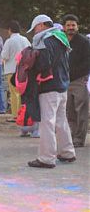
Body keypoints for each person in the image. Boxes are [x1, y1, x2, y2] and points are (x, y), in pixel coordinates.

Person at [26, 14, 76, 168]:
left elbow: (44, 63)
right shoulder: (61, 39)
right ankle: (68, 152)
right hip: (62, 85)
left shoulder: (45, 41)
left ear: (41, 25)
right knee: (61, 121)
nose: (34, 32)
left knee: (47, 122)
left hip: (48, 87)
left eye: (35, 28)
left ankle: (46, 158)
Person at [62, 14, 90, 148]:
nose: (71, 27)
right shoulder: (61, 41)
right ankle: (71, 137)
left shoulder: (84, 42)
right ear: (64, 27)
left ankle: (79, 139)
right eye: (68, 25)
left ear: (77, 27)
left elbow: (87, 62)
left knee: (81, 111)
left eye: (73, 25)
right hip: (64, 81)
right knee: (69, 111)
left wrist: (77, 75)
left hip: (79, 80)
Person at [1, 20, 31, 124]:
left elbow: (5, 56)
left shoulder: (9, 41)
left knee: (14, 93)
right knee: (23, 93)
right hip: (24, 70)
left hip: (11, 70)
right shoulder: (25, 40)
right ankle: (23, 114)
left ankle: (15, 115)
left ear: (9, 30)